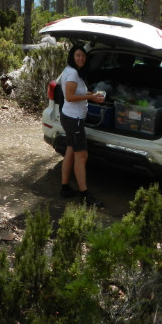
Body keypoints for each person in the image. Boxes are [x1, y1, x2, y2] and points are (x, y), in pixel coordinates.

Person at [59, 44, 105, 207]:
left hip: (69, 117)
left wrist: (91, 95)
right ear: (72, 56)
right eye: (78, 55)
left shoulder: (71, 70)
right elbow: (70, 96)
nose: (81, 58)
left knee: (71, 150)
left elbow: (74, 94)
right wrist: (91, 97)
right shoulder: (72, 73)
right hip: (74, 119)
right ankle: (84, 194)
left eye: (83, 56)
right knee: (82, 155)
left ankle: (65, 188)